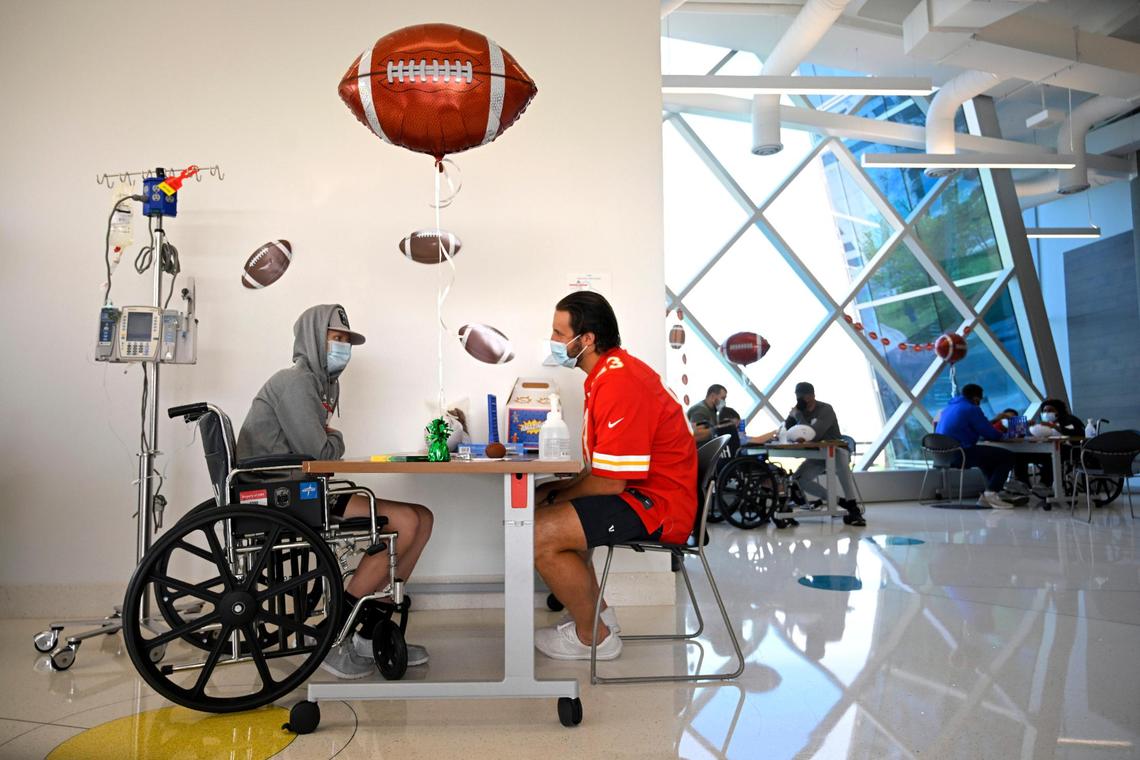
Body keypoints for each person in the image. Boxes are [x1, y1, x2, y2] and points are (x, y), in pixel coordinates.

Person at [236, 304, 435, 678]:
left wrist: (329, 441)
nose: (343, 346)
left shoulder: (322, 383)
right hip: (282, 495)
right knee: (406, 522)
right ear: (313, 338)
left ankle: (367, 629)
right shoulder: (296, 382)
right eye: (336, 338)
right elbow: (319, 454)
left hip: (301, 487)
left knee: (424, 518)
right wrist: (335, 438)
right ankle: (333, 634)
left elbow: (320, 452)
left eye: (346, 340)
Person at [533, 291, 697, 661]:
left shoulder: (620, 382)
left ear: (586, 339)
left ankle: (595, 637)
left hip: (657, 507)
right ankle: (600, 615)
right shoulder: (609, 374)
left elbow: (609, 483)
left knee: (535, 533)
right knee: (548, 506)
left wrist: (560, 496)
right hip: (643, 494)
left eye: (560, 334)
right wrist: (556, 490)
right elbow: (604, 472)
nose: (554, 342)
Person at [783, 382, 864, 525]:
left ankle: (853, 507)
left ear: (812, 395)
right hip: (817, 454)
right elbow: (789, 429)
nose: (801, 400)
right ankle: (840, 502)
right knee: (799, 480)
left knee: (843, 471)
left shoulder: (825, 409)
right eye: (798, 397)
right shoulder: (801, 411)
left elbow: (813, 434)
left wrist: (799, 416)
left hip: (836, 449)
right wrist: (792, 416)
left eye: (804, 397)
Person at [934, 383, 1019, 509]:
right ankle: (992, 492)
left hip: (942, 456)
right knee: (1008, 456)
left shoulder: (949, 408)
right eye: (979, 401)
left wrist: (994, 422)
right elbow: (990, 433)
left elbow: (972, 427)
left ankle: (991, 493)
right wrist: (1007, 437)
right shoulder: (971, 408)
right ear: (976, 398)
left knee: (986, 460)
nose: (979, 404)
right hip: (960, 454)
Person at [1012, 397, 1083, 498]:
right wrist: (1026, 426)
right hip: (1045, 451)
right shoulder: (1042, 424)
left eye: (1050, 410)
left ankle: (1045, 484)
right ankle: (1022, 484)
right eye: (1044, 411)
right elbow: (1029, 435)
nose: (1046, 413)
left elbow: (1076, 433)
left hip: (1067, 451)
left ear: (1059, 411)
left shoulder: (1069, 420)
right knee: (1019, 455)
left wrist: (1055, 427)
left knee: (1053, 456)